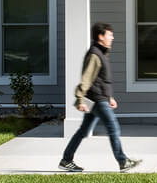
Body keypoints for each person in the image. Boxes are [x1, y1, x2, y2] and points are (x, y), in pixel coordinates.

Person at [60, 20, 141, 172]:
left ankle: (66, 159)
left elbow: (101, 79)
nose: (112, 38)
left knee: (83, 131)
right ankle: (123, 161)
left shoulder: (101, 53)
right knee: (113, 128)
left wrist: (109, 96)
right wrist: (79, 98)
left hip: (97, 98)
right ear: (100, 36)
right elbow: (86, 78)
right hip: (97, 100)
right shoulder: (95, 55)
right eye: (110, 35)